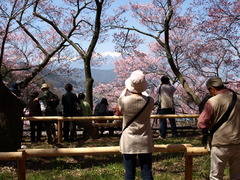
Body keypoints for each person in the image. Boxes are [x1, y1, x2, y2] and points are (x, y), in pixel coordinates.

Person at [198, 77, 240, 180]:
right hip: (238, 142)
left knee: (216, 176)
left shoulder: (212, 101)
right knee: (236, 176)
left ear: (212, 88)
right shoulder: (238, 98)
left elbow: (201, 123)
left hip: (220, 143)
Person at [118, 70, 154, 180]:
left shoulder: (124, 101)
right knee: (147, 171)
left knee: (129, 173)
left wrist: (126, 89)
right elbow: (146, 96)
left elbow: (120, 100)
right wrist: (142, 90)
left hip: (128, 140)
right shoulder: (150, 101)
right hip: (145, 139)